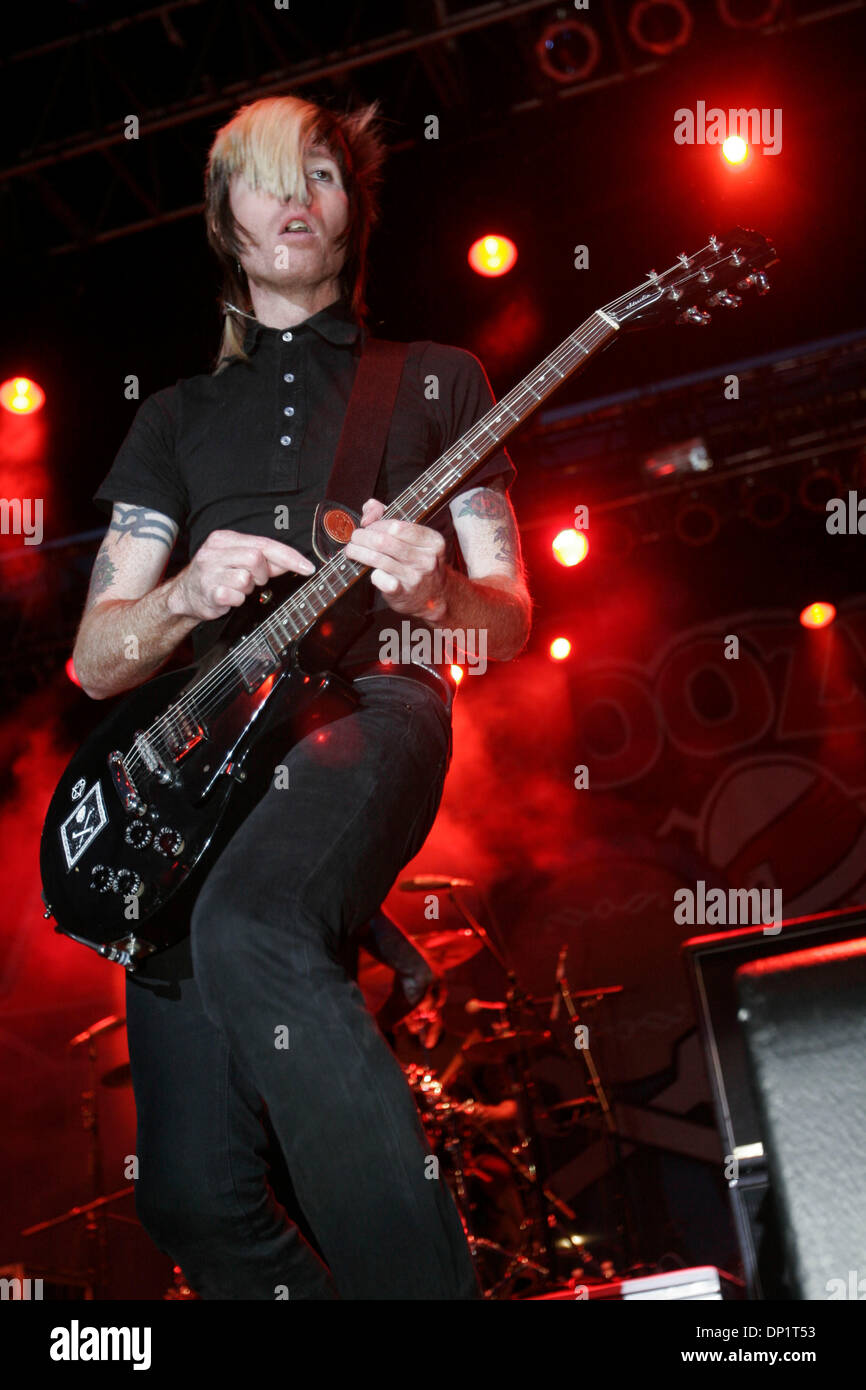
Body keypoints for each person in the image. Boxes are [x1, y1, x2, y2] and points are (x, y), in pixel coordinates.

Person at [71, 93, 531, 1300]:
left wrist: (436, 599)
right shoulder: (171, 421)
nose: (295, 200)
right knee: (189, 1193)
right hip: (202, 774)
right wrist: (176, 599)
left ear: (352, 211)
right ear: (225, 216)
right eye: (269, 179)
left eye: (321, 177)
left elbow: (509, 618)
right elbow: (96, 663)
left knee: (252, 928)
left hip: (370, 706)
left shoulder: (434, 380)